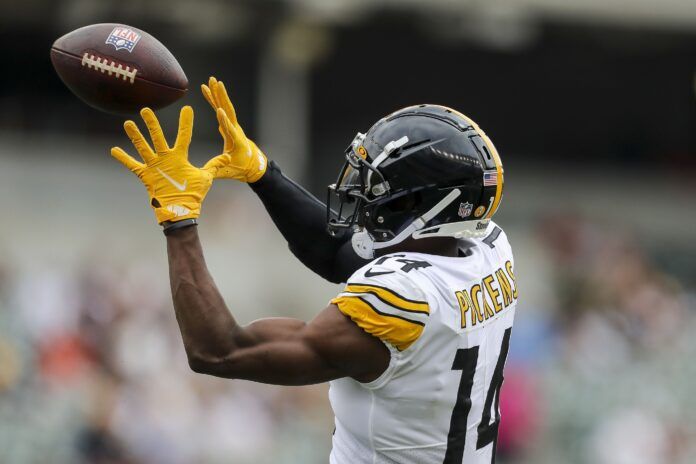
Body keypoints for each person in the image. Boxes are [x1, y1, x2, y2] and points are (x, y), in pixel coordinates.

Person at [110, 77, 518, 464]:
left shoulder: (401, 302)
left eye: (379, 190)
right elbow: (341, 254)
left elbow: (218, 351)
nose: (364, 197)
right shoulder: (488, 250)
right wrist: (262, 174)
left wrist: (179, 223)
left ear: (423, 206)